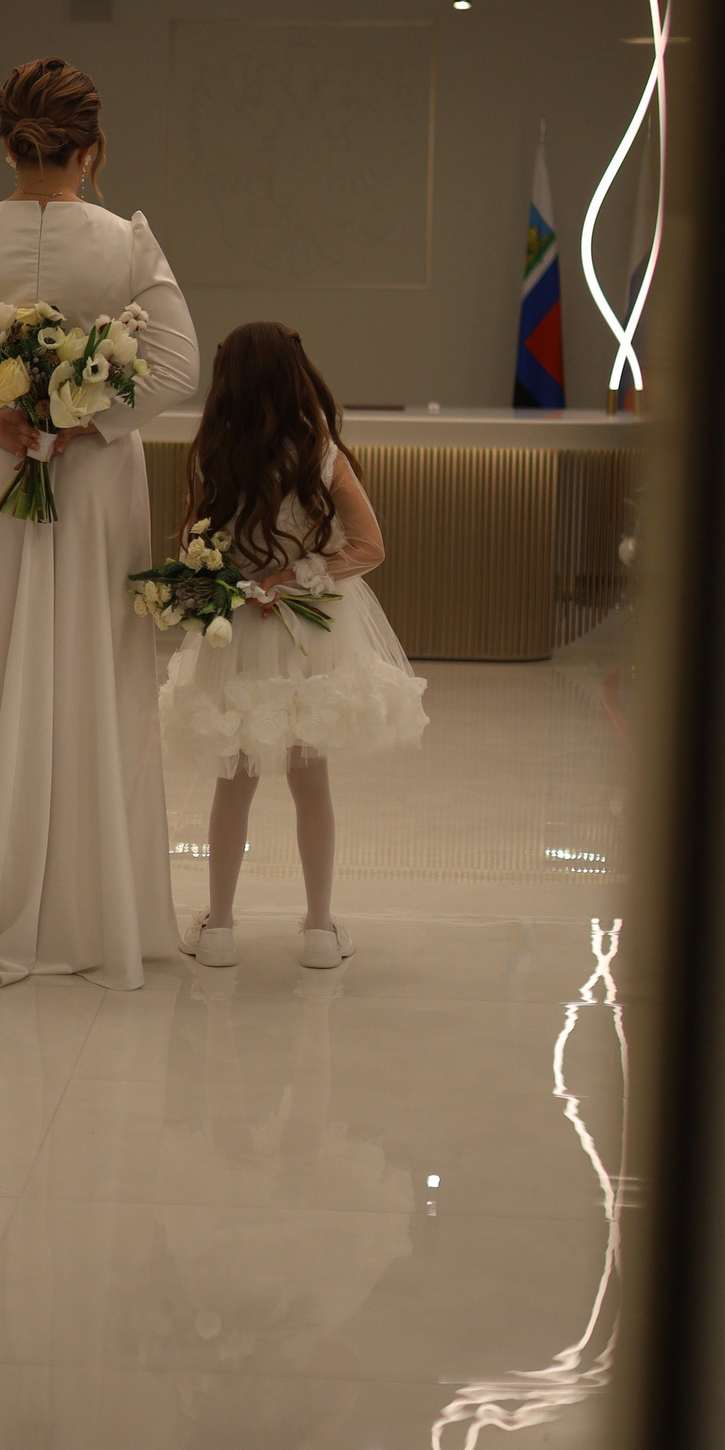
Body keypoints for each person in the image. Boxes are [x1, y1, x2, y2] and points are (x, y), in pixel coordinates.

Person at [0, 58, 199, 987]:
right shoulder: (126, 242)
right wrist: (92, 420)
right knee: (91, 670)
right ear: (92, 148)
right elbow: (179, 370)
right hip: (90, 477)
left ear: (7, 144)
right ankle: (87, 911)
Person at [161, 323, 428, 969]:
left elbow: (194, 549)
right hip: (310, 632)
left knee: (235, 782)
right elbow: (369, 547)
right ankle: (318, 930)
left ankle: (219, 928)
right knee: (311, 782)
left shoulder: (212, 456)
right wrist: (297, 575)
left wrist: (236, 583)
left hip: (238, 631)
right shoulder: (320, 456)